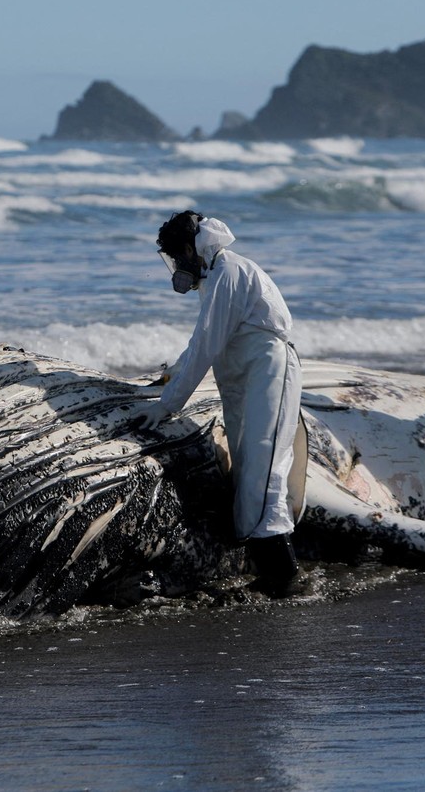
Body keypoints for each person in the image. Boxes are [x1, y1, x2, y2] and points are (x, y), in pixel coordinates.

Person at [136, 211, 306, 592]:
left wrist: (168, 404)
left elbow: (208, 342)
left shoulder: (230, 271)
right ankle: (271, 569)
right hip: (241, 374)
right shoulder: (214, 276)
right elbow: (204, 340)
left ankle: (284, 576)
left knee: (265, 467)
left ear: (189, 247)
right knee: (248, 467)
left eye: (176, 257)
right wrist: (170, 376)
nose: (177, 266)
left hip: (267, 369)